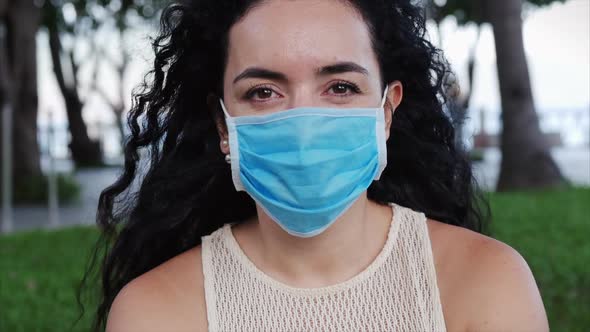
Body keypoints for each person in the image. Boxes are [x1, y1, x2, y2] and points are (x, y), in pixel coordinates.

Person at [88, 0, 549, 331]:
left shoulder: (487, 282)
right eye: (263, 92)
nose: (303, 126)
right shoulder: (153, 312)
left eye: (341, 87)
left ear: (386, 112)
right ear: (223, 125)